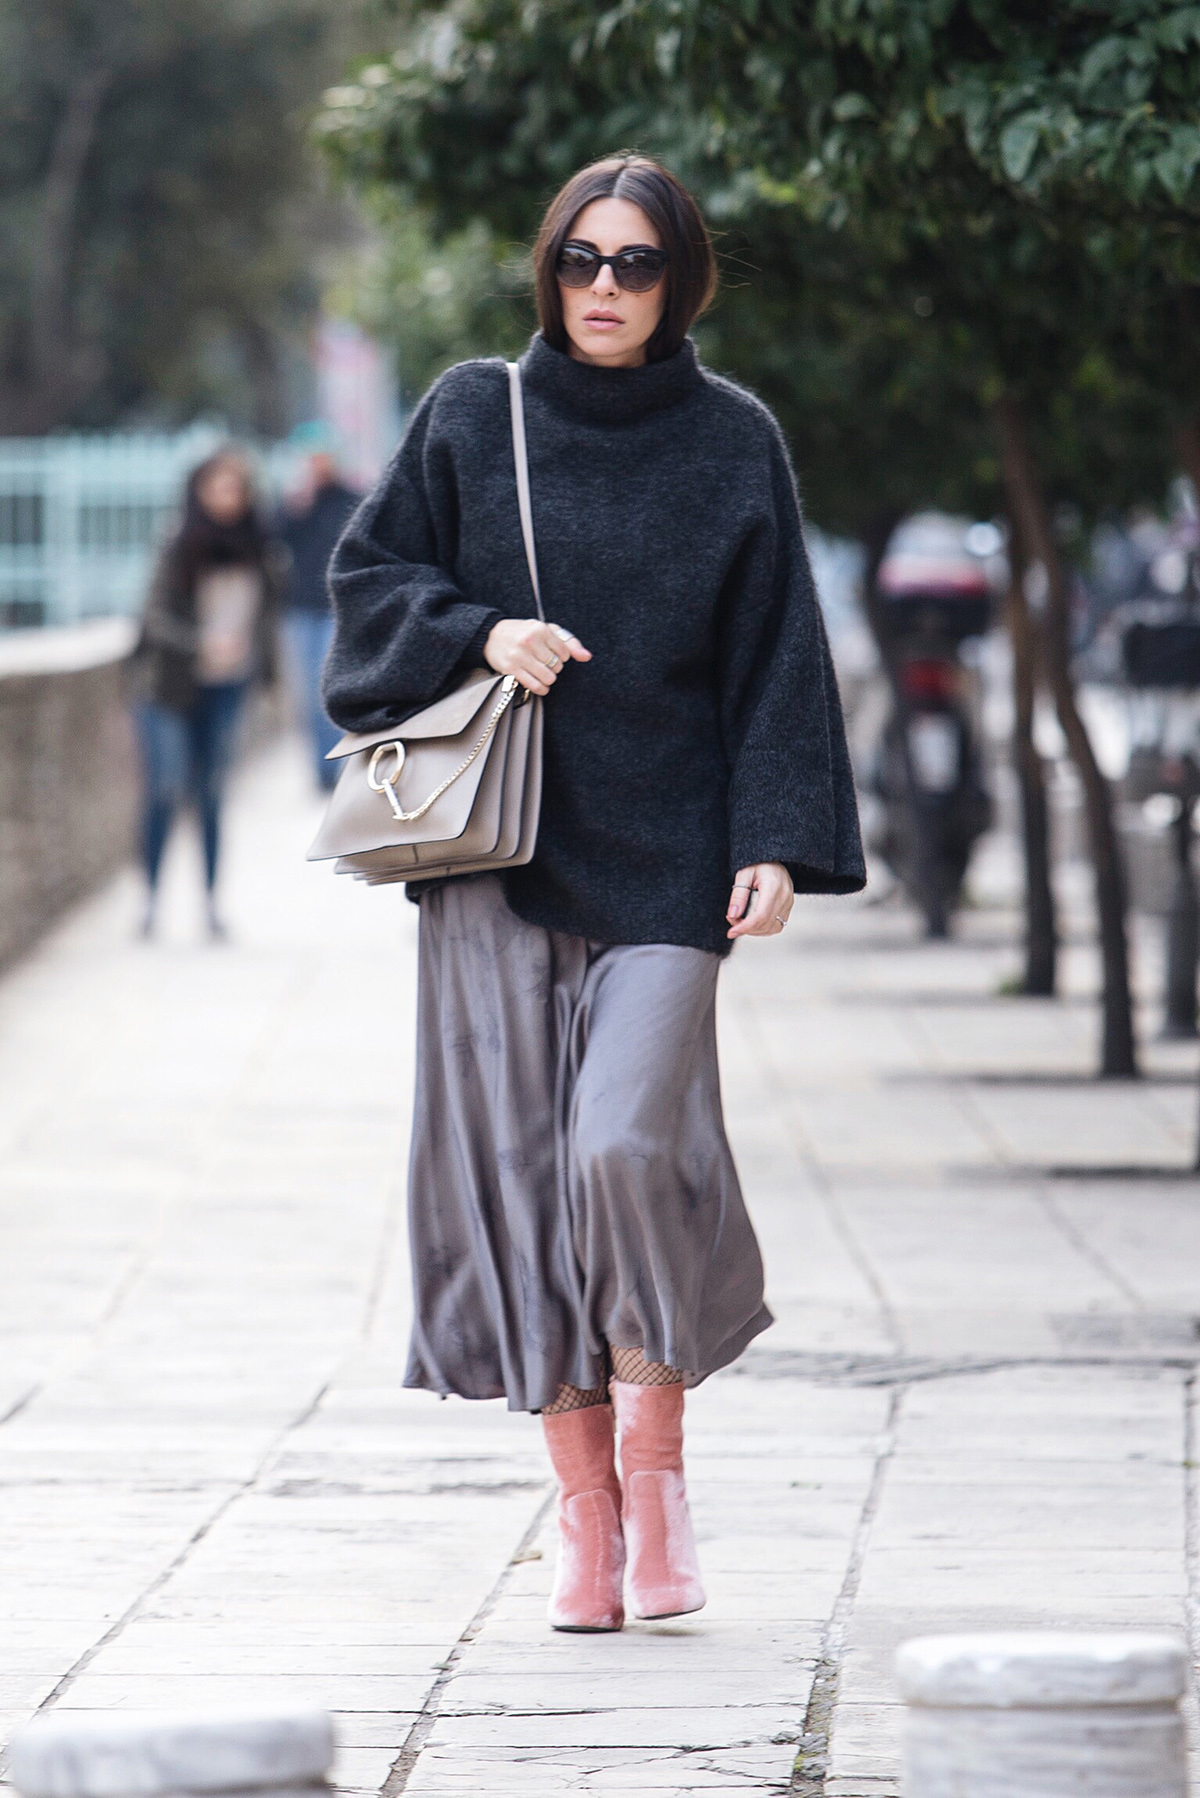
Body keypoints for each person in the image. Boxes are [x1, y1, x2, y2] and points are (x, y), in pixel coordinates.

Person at [323, 155, 864, 1632]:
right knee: (517, 1181)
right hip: (496, 861)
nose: (605, 288)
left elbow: (778, 657)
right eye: (580, 260)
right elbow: (368, 585)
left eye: (634, 264)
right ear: (547, 270)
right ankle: (585, 1518)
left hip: (672, 863)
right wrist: (479, 628)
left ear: (680, 277)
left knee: (624, 1146)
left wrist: (778, 836)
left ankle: (660, 1467)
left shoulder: (732, 441)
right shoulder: (467, 415)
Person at [133, 449, 279, 939]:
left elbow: (267, 618)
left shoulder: (260, 547)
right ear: (198, 491)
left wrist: (264, 673)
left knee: (212, 794)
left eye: (235, 487)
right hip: (170, 689)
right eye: (217, 487)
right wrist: (202, 645)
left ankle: (211, 904)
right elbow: (152, 616)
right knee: (166, 788)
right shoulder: (179, 542)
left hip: (228, 687)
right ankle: (150, 899)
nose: (227, 497)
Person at [277, 432, 359, 789]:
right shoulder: (295, 504)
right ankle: (321, 772)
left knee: (333, 688)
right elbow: (273, 539)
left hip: (337, 609)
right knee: (307, 695)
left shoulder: (351, 499)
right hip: (301, 608)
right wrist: (296, 505)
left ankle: (341, 765)